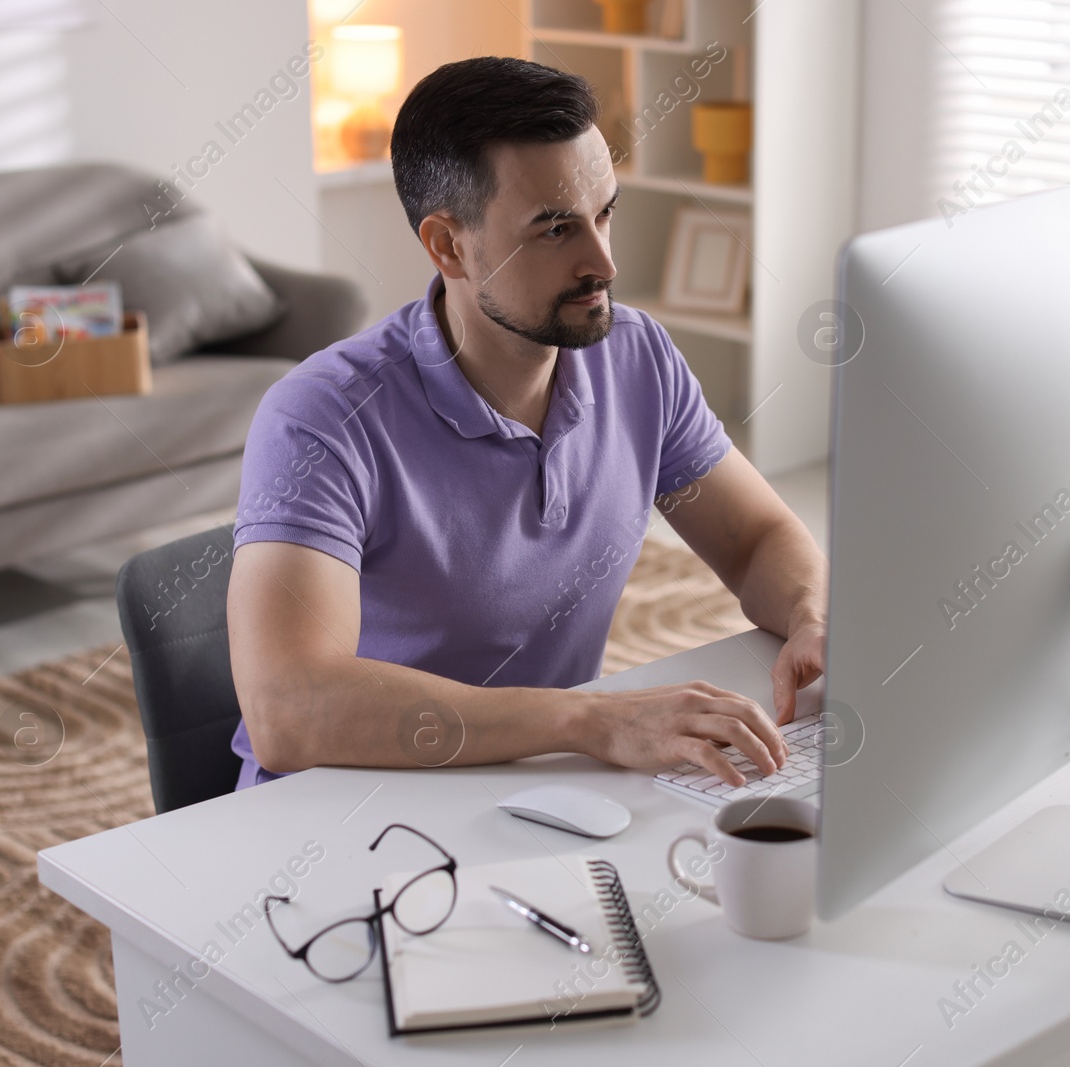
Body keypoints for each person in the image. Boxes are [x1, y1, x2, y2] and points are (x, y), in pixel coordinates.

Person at [226, 56, 827, 791]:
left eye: (606, 212)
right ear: (448, 244)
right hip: (340, 813)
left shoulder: (635, 356)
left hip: (534, 788)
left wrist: (809, 612)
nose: (603, 262)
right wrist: (589, 721)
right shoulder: (322, 416)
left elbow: (756, 539)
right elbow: (288, 713)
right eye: (554, 230)